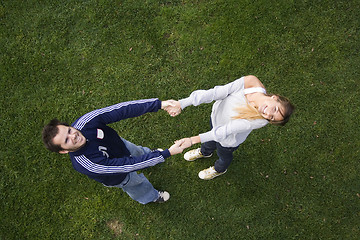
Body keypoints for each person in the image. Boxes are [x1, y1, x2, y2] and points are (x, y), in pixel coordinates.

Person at [42, 98, 185, 204]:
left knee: (137, 152)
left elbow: (121, 110)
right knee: (136, 184)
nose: (73, 136)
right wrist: (166, 153)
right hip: (118, 175)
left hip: (121, 146)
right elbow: (126, 165)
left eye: (69, 130)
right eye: (66, 140)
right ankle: (152, 196)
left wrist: (159, 104)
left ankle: (150, 155)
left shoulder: (86, 122)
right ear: (63, 151)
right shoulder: (87, 164)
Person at [164, 75, 294, 180]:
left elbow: (225, 131)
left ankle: (219, 169)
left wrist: (191, 140)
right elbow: (217, 92)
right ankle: (205, 153)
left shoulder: (260, 120)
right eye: (275, 109)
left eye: (271, 118)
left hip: (228, 140)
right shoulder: (251, 82)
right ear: (274, 97)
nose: (268, 114)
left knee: (223, 155)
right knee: (208, 143)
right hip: (215, 122)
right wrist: (182, 103)